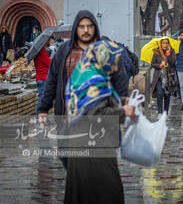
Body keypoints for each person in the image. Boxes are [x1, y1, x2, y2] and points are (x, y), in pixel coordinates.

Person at [38, 10, 129, 168]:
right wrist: (43, 108)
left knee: (100, 165)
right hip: (69, 116)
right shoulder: (64, 51)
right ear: (75, 28)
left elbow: (120, 80)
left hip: (100, 115)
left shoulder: (106, 50)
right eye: (81, 27)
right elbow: (52, 81)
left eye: (89, 26)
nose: (85, 30)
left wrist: (123, 109)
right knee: (68, 161)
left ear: (95, 28)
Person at [64, 40, 136, 204]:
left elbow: (98, 104)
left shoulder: (87, 75)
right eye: (113, 60)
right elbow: (97, 115)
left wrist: (121, 101)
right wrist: (123, 112)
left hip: (83, 146)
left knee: (84, 194)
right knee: (108, 193)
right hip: (94, 150)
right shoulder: (93, 81)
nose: (116, 66)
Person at [150, 38, 178, 117]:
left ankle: (165, 112)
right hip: (159, 76)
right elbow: (152, 63)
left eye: (167, 43)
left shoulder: (171, 51)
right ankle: (159, 112)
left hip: (169, 76)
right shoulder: (157, 52)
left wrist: (168, 53)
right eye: (164, 43)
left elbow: (173, 62)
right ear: (161, 44)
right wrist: (160, 65)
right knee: (159, 93)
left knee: (167, 94)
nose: (165, 44)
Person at [34, 38, 52, 116]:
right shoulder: (42, 51)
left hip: (40, 77)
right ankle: (39, 119)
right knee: (42, 100)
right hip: (43, 78)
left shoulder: (38, 52)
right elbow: (49, 63)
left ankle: (42, 119)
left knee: (43, 100)